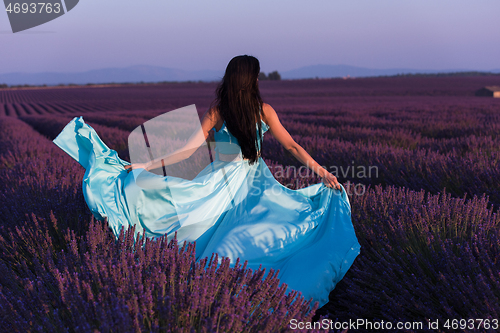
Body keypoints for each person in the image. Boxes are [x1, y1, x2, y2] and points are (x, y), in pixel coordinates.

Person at [53, 55, 360, 308]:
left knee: (203, 224)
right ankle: (242, 292)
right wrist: (323, 173)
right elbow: (292, 146)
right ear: (250, 80)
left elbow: (186, 150)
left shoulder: (218, 111)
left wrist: (146, 166)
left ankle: (205, 287)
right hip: (250, 181)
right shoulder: (263, 111)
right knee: (259, 231)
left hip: (217, 181)